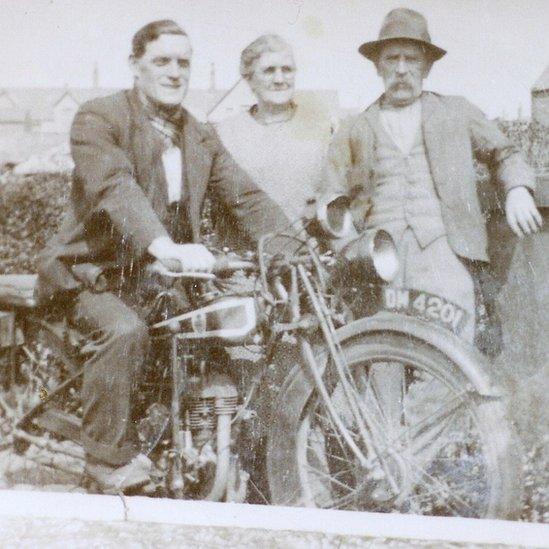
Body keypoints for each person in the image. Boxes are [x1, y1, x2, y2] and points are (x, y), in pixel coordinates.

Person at [35, 20, 294, 492]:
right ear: (135, 66)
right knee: (124, 330)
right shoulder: (99, 118)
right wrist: (163, 246)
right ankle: (105, 462)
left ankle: (193, 452)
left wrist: (295, 248)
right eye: (162, 61)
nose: (175, 72)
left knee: (214, 336)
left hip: (155, 276)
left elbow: (244, 196)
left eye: (183, 63)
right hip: (90, 273)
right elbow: (116, 186)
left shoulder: (197, 134)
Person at [321, 8, 542, 343]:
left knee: (451, 356)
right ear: (378, 66)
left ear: (426, 66)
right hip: (379, 263)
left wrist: (518, 189)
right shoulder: (355, 127)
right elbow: (330, 199)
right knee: (383, 356)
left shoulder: (456, 112)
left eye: (411, 59)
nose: (401, 69)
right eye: (391, 58)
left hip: (443, 255)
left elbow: (505, 153)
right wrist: (350, 252)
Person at [212, 34, 335, 248]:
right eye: (269, 71)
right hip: (244, 266)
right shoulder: (225, 133)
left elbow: (337, 199)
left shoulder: (322, 128)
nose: (279, 79)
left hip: (306, 262)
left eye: (287, 70)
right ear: (248, 79)